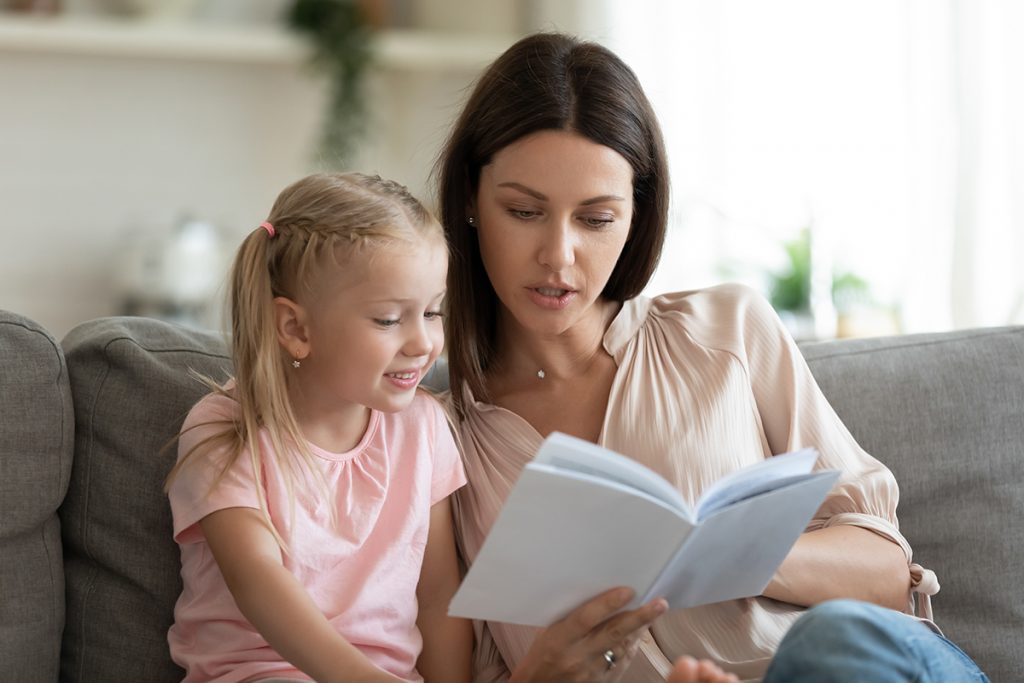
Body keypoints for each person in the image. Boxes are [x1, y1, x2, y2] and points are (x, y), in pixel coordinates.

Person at [435, 32, 989, 683]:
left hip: (845, 666)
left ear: (637, 214)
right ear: (471, 201)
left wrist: (725, 555)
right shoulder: (437, 440)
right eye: (525, 211)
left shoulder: (726, 328)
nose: (559, 255)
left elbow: (884, 574)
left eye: (596, 218)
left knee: (832, 644)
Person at [164, 172, 472, 683]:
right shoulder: (226, 428)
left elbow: (439, 593)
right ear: (296, 329)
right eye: (389, 319)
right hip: (261, 671)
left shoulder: (425, 428)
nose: (423, 342)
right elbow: (258, 582)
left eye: (433, 312)